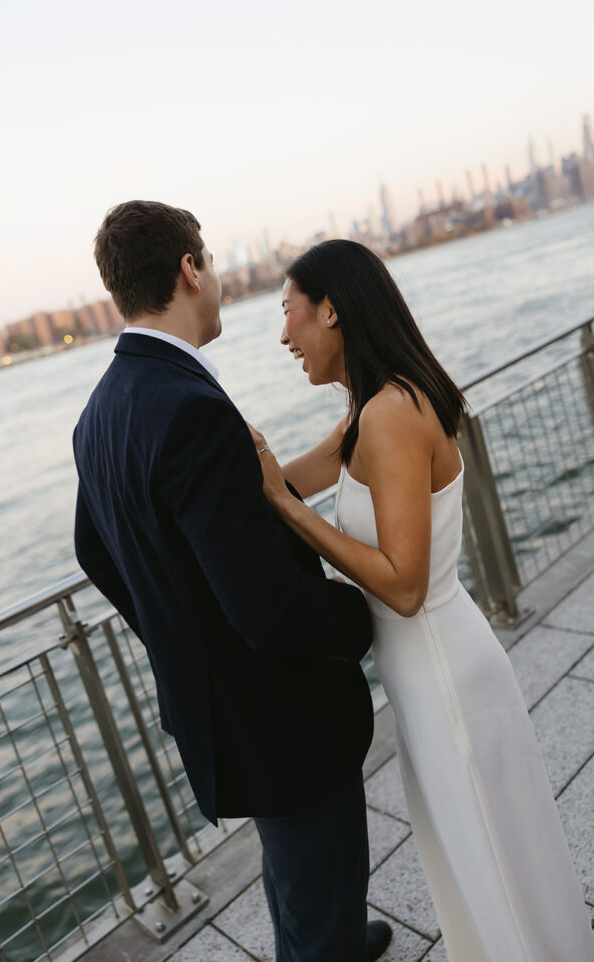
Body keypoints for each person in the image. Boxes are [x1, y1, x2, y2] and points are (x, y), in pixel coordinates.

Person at [249, 238, 594, 962]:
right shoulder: (366, 411)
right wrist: (226, 467)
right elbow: (283, 481)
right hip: (425, 678)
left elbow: (403, 586)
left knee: (491, 867)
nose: (284, 336)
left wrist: (291, 519)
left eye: (288, 313)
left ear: (332, 309)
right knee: (482, 866)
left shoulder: (390, 415)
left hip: (444, 677)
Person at [72, 202, 392, 962]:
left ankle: (334, 941)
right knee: (319, 862)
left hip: (221, 711)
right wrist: (362, 614)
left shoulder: (99, 413)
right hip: (277, 709)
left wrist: (179, 633)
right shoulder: (186, 406)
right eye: (208, 262)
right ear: (189, 269)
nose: (214, 278)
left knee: (296, 868)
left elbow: (93, 550)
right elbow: (267, 608)